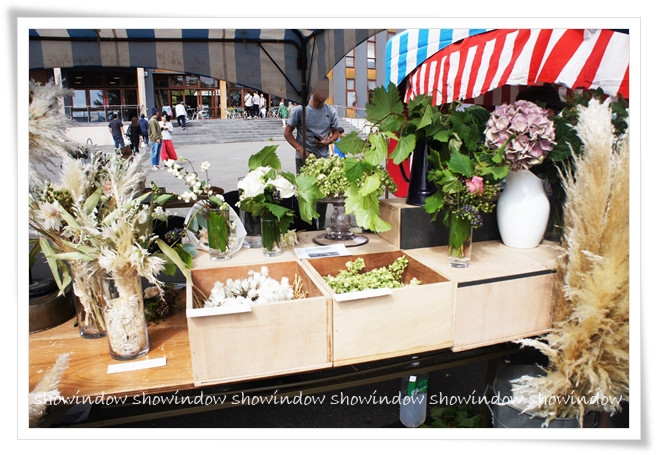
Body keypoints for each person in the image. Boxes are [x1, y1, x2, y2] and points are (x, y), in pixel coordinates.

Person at [284, 78, 340, 229]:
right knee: (304, 194)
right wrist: (300, 149)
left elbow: (336, 133)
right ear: (313, 90)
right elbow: (287, 133)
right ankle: (305, 226)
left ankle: (319, 227)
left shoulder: (331, 112)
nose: (325, 93)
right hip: (303, 159)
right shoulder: (299, 111)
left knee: (322, 195)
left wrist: (327, 142)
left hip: (323, 160)